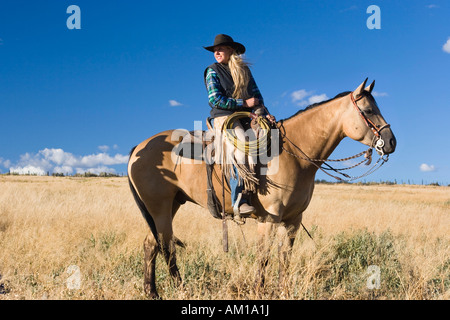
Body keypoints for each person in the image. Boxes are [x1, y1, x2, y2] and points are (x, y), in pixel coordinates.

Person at [203, 34, 275, 216]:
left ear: (231, 50)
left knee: (272, 139)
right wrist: (243, 104)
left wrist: (265, 114)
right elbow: (215, 100)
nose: (217, 52)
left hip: (246, 117)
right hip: (224, 118)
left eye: (221, 49)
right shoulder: (212, 71)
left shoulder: (245, 71)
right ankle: (239, 199)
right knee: (242, 148)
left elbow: (257, 97)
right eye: (215, 50)